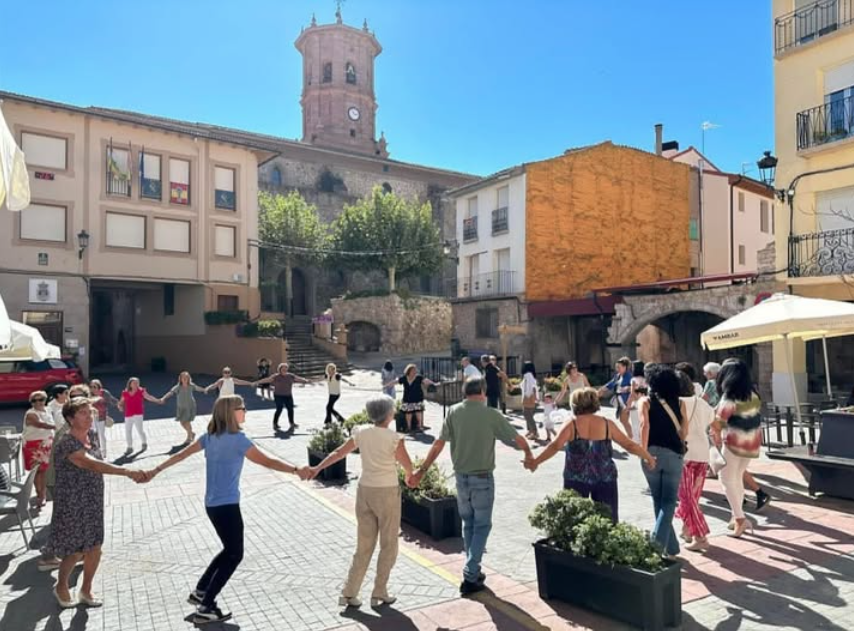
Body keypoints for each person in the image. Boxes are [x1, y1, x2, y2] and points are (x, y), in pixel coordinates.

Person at [143, 395, 306, 624]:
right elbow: (267, 461)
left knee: (229, 549)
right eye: (243, 408)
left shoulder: (209, 437)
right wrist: (297, 469)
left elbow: (180, 455)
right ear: (231, 413)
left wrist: (155, 470)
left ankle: (201, 590)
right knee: (235, 554)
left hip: (212, 505)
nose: (245, 412)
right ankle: (206, 606)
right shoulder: (239, 440)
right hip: (227, 505)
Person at [408, 377, 534, 595]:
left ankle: (473, 570)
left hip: (461, 478)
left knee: (468, 524)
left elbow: (438, 443)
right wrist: (529, 454)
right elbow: (516, 438)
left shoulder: (455, 412)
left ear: (465, 392)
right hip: (482, 478)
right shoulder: (491, 414)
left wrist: (421, 470)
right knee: (482, 526)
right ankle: (470, 572)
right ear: (483, 391)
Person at [308, 395, 415, 608]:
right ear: (388, 414)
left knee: (364, 545)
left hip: (365, 490)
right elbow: (407, 465)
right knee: (388, 544)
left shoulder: (361, 432)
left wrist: (317, 468)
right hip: (387, 492)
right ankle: (379, 591)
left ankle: (349, 592)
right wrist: (410, 475)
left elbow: (339, 453)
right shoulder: (395, 437)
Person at [50, 397, 148, 609]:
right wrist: (127, 471)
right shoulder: (67, 442)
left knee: (95, 546)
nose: (89, 417)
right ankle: (61, 586)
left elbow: (96, 461)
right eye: (83, 413)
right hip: (72, 502)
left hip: (92, 499)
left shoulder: (92, 435)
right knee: (76, 550)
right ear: (70, 418)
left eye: (90, 412)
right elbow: (92, 464)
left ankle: (86, 589)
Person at [526, 387, 656, 522]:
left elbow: (554, 446)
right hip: (604, 477)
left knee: (573, 520)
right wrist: (648, 457)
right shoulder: (607, 423)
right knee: (607, 520)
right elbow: (629, 445)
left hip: (575, 477)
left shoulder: (572, 424)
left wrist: (536, 461)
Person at [638, 364, 688, 558]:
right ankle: (672, 547)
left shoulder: (646, 401)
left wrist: (644, 453)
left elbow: (644, 426)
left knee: (658, 499)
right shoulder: (680, 403)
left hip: (651, 452)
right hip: (674, 454)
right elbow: (685, 432)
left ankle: (657, 544)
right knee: (667, 500)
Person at [711, 358, 763, 538]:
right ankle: (735, 516)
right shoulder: (753, 394)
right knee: (737, 478)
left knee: (726, 479)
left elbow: (718, 423)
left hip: (733, 443)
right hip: (752, 442)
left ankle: (740, 520)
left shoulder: (729, 398)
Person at [674, 369, 716, 552]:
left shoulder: (677, 403)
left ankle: (700, 536)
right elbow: (714, 422)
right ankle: (687, 530)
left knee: (687, 497)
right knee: (692, 497)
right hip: (702, 454)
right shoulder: (701, 402)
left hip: (685, 455)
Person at [22, 391, 55, 506]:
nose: (38, 402)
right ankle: (40, 495)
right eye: (34, 400)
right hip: (33, 445)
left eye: (40, 399)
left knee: (44, 471)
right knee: (37, 472)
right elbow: (40, 424)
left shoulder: (48, 410)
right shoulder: (30, 413)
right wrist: (58, 426)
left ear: (45, 399)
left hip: (46, 443)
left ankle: (43, 494)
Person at [255, 362, 310, 431]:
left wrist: (305, 380)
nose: (284, 370)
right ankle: (275, 423)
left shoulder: (290, 376)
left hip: (288, 395)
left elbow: (298, 378)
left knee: (290, 409)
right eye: (283, 369)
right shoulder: (275, 376)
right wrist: (257, 382)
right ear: (280, 369)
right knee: (279, 409)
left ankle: (292, 423)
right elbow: (266, 380)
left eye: (286, 369)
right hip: (278, 396)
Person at [383, 364, 437, 433]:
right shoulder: (404, 378)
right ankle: (409, 427)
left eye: (415, 370)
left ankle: (419, 426)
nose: (415, 372)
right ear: (409, 371)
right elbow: (395, 381)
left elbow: (426, 381)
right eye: (413, 370)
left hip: (417, 398)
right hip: (408, 398)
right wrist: (387, 385)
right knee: (408, 413)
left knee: (418, 412)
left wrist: (434, 384)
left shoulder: (419, 377)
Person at [117, 377, 162, 455]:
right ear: (130, 384)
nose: (136, 384)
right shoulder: (125, 392)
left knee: (140, 430)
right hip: (128, 414)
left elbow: (149, 397)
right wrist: (120, 406)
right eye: (134, 383)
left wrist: (157, 400)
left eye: (137, 383)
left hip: (138, 414)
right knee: (128, 431)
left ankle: (144, 443)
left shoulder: (141, 391)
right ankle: (129, 447)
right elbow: (121, 401)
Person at [160, 372, 207, 444]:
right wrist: (163, 398)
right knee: (182, 422)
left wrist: (204, 390)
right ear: (180, 379)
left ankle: (189, 437)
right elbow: (171, 392)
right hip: (181, 407)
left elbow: (198, 388)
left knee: (187, 422)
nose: (185, 379)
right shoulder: (178, 387)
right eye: (183, 378)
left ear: (189, 378)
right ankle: (191, 433)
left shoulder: (191, 385)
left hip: (190, 406)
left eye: (186, 378)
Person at [599, 357, 634, 439]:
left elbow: (635, 387)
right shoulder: (617, 376)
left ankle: (632, 437)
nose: (617, 369)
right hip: (621, 402)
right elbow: (610, 385)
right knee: (623, 420)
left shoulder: (629, 376)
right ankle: (631, 437)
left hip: (628, 402)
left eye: (619, 367)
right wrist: (600, 390)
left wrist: (627, 388)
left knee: (625, 420)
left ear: (625, 367)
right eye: (616, 367)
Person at [89, 380, 118, 459]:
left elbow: (112, 400)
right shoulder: (88, 395)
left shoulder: (104, 393)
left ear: (99, 387)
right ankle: (96, 451)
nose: (92, 389)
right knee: (94, 434)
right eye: (91, 387)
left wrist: (120, 405)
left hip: (101, 416)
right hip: (91, 417)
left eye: (94, 387)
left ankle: (103, 451)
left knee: (101, 434)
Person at [627, 360, 647, 442]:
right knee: (644, 421)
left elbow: (632, 393)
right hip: (644, 402)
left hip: (635, 403)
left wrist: (628, 404)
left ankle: (636, 440)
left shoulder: (633, 379)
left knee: (635, 422)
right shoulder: (646, 379)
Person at [521, 361, 539, 440]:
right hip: (529, 397)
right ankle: (531, 430)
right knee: (528, 415)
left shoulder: (528, 375)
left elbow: (532, 387)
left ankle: (534, 432)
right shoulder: (529, 375)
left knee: (527, 415)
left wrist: (530, 396)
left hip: (528, 397)